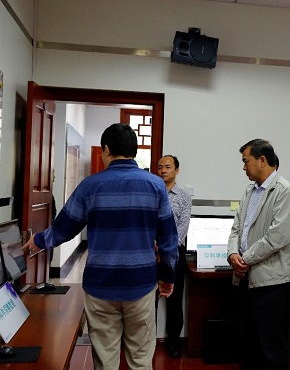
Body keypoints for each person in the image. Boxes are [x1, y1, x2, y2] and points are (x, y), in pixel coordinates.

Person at [22, 123, 179, 370]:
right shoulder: (156, 185)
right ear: (134, 150)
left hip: (100, 285)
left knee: (105, 360)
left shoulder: (90, 185)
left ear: (106, 150)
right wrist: (167, 276)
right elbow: (169, 238)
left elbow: (65, 227)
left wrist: (39, 240)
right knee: (141, 358)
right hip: (141, 283)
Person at [227, 139, 290, 370]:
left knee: (271, 346)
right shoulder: (250, 190)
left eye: (246, 161)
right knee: (249, 342)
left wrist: (244, 259)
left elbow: (277, 237)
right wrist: (232, 254)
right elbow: (236, 228)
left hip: (271, 282)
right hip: (246, 277)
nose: (243, 167)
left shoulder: (285, 191)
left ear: (262, 160)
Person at [157, 154, 192, 358]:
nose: (163, 170)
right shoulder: (152, 192)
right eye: (160, 167)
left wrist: (165, 248)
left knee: (174, 298)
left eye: (168, 167)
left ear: (176, 170)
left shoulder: (184, 197)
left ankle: (173, 341)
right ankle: (145, 340)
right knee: (148, 298)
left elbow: (183, 228)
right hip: (150, 252)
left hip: (174, 253)